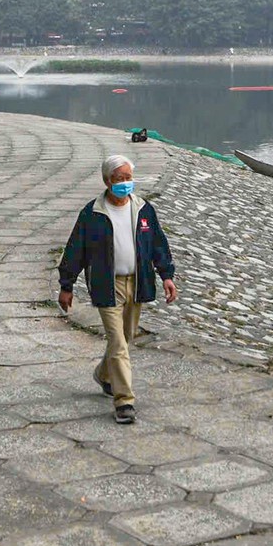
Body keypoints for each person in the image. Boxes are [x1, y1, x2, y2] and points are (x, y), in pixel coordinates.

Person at [58, 155, 177, 423]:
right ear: (107, 181)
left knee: (126, 336)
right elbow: (75, 250)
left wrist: (167, 275)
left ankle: (103, 374)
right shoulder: (93, 213)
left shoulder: (143, 209)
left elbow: (158, 244)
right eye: (119, 179)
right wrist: (66, 285)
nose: (125, 183)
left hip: (137, 282)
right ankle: (124, 401)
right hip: (107, 285)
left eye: (128, 178)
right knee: (118, 342)